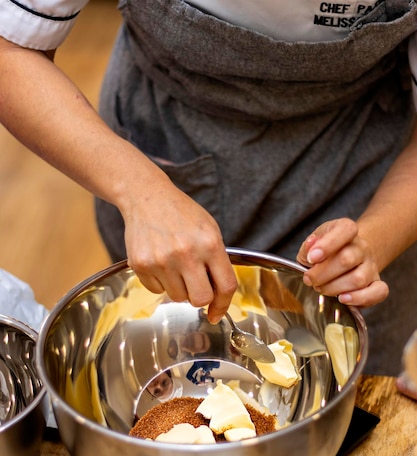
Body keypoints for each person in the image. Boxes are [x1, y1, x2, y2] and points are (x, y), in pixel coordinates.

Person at [1, 0, 417, 375]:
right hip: (167, 138)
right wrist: (141, 191)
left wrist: (373, 240)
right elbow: (11, 49)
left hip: (365, 168)